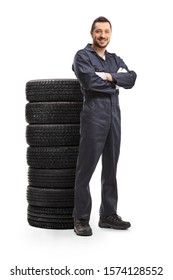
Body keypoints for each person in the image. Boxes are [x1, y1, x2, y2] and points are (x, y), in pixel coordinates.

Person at [72, 16, 137, 236]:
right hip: (94, 116)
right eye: (98, 31)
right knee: (86, 169)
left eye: (106, 32)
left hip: (114, 117)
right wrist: (114, 83)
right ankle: (81, 218)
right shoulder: (82, 56)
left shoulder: (114, 58)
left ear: (110, 34)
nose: (102, 36)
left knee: (111, 168)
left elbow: (131, 78)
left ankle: (108, 215)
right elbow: (89, 82)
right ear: (91, 33)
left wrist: (108, 76)